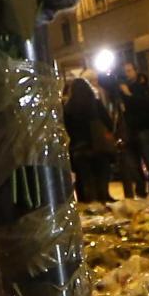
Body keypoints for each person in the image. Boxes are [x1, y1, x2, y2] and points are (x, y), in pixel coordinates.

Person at [112, 62, 149, 199]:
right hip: (130, 132)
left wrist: (128, 94)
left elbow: (146, 106)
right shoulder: (121, 89)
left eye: (129, 70)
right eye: (125, 71)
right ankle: (141, 190)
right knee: (133, 165)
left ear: (136, 71)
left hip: (144, 130)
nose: (127, 74)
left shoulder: (143, 88)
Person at [62, 74, 117, 203]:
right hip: (98, 146)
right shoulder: (95, 103)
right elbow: (109, 122)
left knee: (85, 179)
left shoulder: (68, 108)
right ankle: (104, 198)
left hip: (79, 149)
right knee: (102, 175)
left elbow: (66, 129)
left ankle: (89, 203)